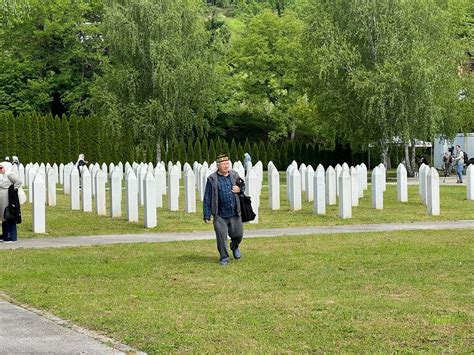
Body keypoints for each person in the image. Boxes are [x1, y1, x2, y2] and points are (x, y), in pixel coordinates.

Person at [203, 154, 245, 266]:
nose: (226, 166)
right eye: (223, 164)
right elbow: (207, 197)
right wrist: (207, 215)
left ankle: (234, 246)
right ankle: (224, 257)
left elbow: (242, 186)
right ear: (218, 165)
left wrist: (239, 189)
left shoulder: (235, 175)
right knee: (221, 237)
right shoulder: (212, 179)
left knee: (238, 235)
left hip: (235, 213)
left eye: (227, 163)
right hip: (219, 215)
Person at [0, 162, 22, 243]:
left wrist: (13, 190)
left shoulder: (9, 174)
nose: (0, 169)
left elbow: (18, 182)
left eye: (1, 167)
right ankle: (5, 235)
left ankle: (12, 237)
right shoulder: (2, 175)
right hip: (1, 199)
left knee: (9, 216)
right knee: (3, 217)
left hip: (7, 198)